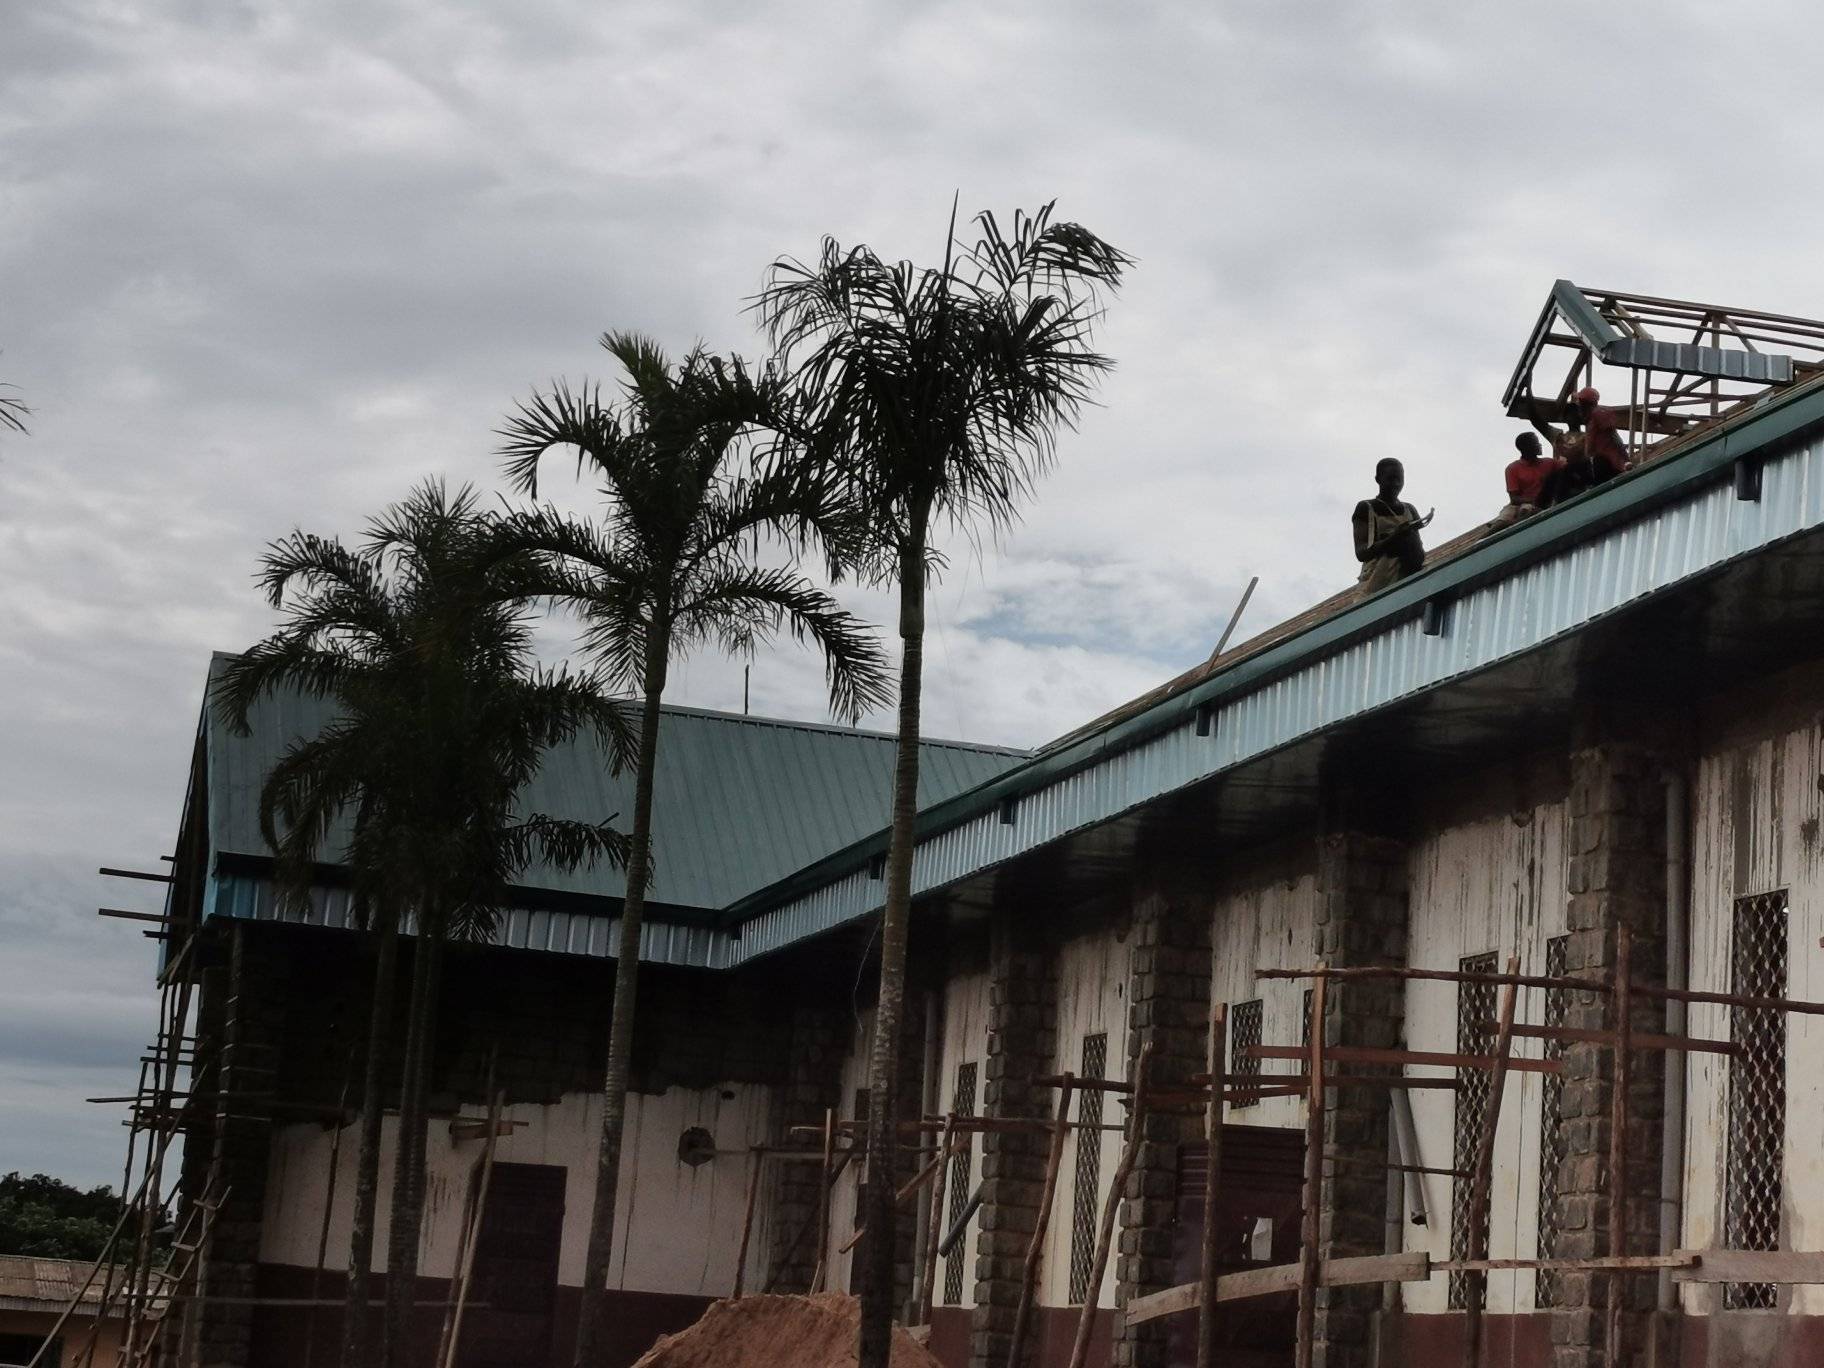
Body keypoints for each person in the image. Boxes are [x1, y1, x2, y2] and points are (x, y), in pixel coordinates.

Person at [1354, 458, 1432, 592]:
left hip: (1407, 584)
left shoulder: (1409, 509)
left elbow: (1418, 550)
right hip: (1375, 587)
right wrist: (1394, 538)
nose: (1396, 484)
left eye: (1399, 479)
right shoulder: (1366, 508)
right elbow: (1361, 553)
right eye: (1390, 479)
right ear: (1378, 479)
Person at [1497, 431, 1563, 523]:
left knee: (1526, 510)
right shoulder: (1513, 468)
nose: (1539, 445)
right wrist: (1535, 500)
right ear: (1526, 447)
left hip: (1539, 505)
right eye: (1536, 443)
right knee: (1503, 518)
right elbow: (1514, 498)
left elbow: (1567, 469)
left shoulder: (1550, 463)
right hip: (1521, 505)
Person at [1572, 386, 1630, 481]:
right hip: (1601, 462)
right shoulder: (1591, 420)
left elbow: (1615, 437)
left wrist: (1626, 459)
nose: (1578, 405)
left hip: (1608, 463)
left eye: (1580, 401)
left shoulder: (1598, 414)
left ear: (1585, 404)